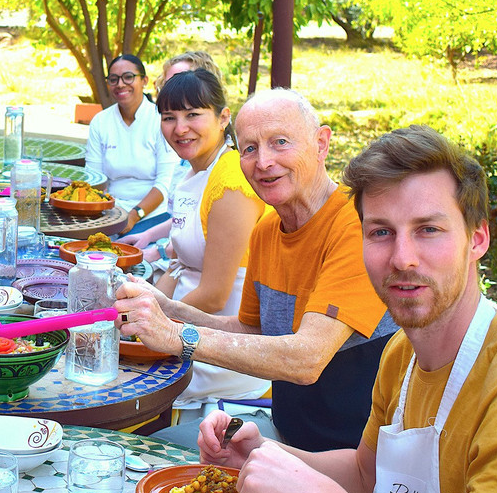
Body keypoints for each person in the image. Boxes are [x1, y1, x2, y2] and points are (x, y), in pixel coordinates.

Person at [199, 125, 497, 493]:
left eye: (429, 230)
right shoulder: (403, 351)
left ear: (478, 239)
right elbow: (366, 477)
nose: (402, 258)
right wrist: (262, 455)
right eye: (381, 232)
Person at [116, 88, 398, 451]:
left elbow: (307, 359)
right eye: (249, 148)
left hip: (353, 457)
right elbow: (251, 328)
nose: (263, 162)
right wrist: (167, 308)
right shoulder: (268, 228)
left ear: (321, 143)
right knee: (140, 454)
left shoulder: (356, 226)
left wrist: (176, 336)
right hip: (285, 436)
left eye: (280, 142)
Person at [151, 69, 270, 411]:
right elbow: (180, 264)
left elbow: (216, 295)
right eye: (169, 117)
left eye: (193, 115)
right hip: (186, 322)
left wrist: (155, 323)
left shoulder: (231, 181)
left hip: (223, 348)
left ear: (222, 118)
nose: (180, 128)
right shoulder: (193, 171)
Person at [123, 51, 226, 265]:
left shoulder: (227, 177)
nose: (175, 93)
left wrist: (158, 251)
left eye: (191, 112)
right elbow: (183, 217)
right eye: (169, 85)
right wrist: (149, 236)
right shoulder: (190, 162)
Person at [85, 53, 178, 234]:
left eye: (128, 77)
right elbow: (94, 179)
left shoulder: (161, 119)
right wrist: (107, 212)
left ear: (144, 80)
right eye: (113, 79)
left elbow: (165, 183)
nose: (120, 84)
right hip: (110, 211)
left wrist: (134, 215)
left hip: (153, 215)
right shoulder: (100, 122)